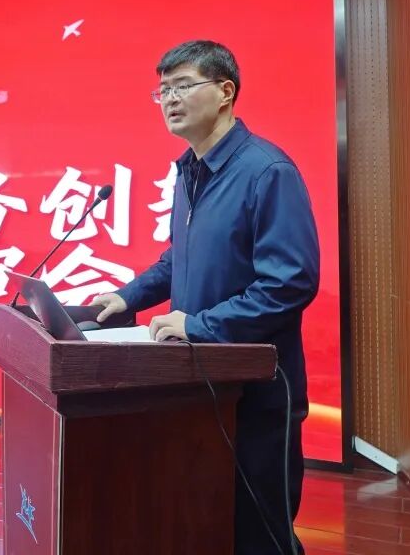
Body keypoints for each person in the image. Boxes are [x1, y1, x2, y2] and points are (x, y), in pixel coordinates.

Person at [91, 40, 319, 555]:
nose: (169, 99)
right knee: (207, 522)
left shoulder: (267, 171)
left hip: (257, 391)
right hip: (199, 386)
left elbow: (289, 283)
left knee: (260, 533)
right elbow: (182, 257)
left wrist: (198, 326)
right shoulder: (189, 172)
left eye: (182, 86)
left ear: (225, 92)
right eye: (162, 90)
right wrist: (127, 297)